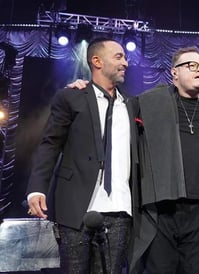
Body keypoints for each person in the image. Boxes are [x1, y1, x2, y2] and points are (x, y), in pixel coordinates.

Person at [26, 37, 139, 273]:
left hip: (119, 209)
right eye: (118, 56)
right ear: (96, 61)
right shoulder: (71, 97)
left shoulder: (132, 105)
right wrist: (37, 187)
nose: (126, 62)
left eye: (125, 57)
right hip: (76, 206)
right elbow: (50, 144)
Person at [127, 46, 199, 273]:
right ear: (174, 73)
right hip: (163, 210)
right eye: (191, 65)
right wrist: (83, 87)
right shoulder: (149, 102)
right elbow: (116, 108)